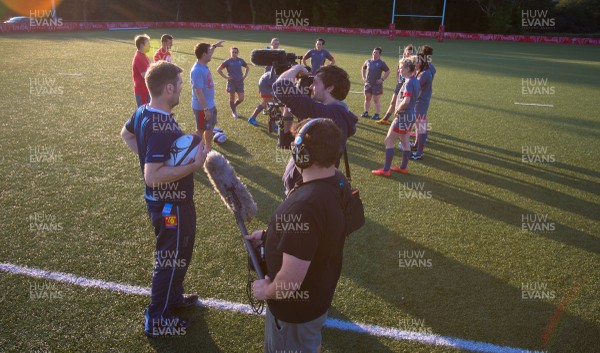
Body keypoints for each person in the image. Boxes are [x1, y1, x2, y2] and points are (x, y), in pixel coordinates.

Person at [247, 118, 353, 353]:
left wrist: (266, 291)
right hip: (317, 295)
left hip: (294, 313)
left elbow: (290, 282)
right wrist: (269, 236)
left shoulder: (305, 207)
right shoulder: (338, 181)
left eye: (296, 146)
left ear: (302, 155)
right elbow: (316, 236)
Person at [120, 61, 208, 337]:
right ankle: (157, 319)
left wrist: (149, 157)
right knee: (169, 258)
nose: (182, 89)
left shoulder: (144, 111)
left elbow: (126, 134)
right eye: (180, 85)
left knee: (179, 254)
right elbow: (153, 176)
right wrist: (192, 167)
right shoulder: (162, 127)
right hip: (171, 205)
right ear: (168, 88)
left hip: (166, 201)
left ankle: (173, 298)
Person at [273, 64, 358, 193]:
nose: (310, 87)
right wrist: (287, 114)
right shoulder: (332, 114)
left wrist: (296, 69)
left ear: (330, 88)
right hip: (305, 188)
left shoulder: (327, 115)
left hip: (307, 192)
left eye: (315, 83)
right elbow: (286, 142)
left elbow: (280, 87)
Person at [372, 56, 420, 176]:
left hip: (403, 116)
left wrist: (398, 109)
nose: (399, 70)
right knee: (405, 140)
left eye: (400, 68)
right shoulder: (416, 81)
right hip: (411, 115)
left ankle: (386, 170)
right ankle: (403, 167)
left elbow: (406, 100)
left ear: (408, 68)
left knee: (389, 140)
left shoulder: (408, 82)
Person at [191, 40, 225, 150]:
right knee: (201, 129)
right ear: (204, 55)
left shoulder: (203, 64)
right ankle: (194, 150)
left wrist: (214, 46)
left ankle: (208, 147)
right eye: (208, 52)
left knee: (209, 128)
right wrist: (206, 109)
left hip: (209, 104)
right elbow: (198, 92)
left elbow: (209, 53)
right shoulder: (197, 70)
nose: (211, 54)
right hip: (202, 107)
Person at [376, 44, 414, 125]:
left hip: (408, 85)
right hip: (400, 84)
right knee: (393, 101)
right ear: (405, 52)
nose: (409, 54)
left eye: (411, 53)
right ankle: (385, 119)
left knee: (406, 104)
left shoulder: (413, 62)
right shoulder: (402, 60)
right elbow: (397, 71)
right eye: (408, 52)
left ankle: (407, 123)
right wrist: (398, 79)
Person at [217, 47, 249, 118]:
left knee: (241, 98)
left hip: (240, 82)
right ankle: (234, 112)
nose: (234, 53)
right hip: (231, 83)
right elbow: (219, 69)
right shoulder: (227, 61)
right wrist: (226, 77)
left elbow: (247, 67)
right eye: (233, 52)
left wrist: (244, 76)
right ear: (230, 53)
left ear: (237, 53)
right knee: (232, 98)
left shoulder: (240, 60)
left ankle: (233, 106)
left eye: (235, 52)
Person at [412, 53, 433, 160]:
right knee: (419, 126)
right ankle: (416, 145)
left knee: (421, 127)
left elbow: (416, 88)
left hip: (420, 103)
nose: (415, 63)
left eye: (417, 61)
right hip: (422, 101)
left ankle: (419, 152)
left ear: (423, 62)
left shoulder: (424, 74)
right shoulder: (425, 71)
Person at [361, 47, 390, 121]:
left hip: (377, 85)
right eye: (374, 52)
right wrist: (364, 77)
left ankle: (376, 114)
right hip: (368, 84)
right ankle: (365, 112)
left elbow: (387, 71)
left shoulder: (381, 63)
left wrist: (382, 79)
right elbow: (363, 68)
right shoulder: (368, 61)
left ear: (379, 54)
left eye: (376, 52)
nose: (374, 54)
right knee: (367, 98)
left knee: (376, 100)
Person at [132, 34, 151, 107]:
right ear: (142, 45)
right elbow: (144, 75)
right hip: (143, 91)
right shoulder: (139, 57)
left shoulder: (144, 55)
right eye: (148, 43)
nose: (149, 45)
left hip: (146, 90)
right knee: (144, 114)